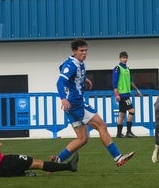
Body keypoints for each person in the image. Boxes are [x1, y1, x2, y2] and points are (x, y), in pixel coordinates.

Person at [54, 38, 135, 168]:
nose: (84, 53)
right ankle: (118, 157)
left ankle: (56, 161)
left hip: (71, 107)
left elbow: (62, 69)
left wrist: (84, 79)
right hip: (76, 104)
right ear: (74, 51)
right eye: (81, 50)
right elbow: (60, 81)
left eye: (86, 50)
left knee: (82, 139)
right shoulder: (71, 64)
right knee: (101, 125)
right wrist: (63, 98)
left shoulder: (77, 63)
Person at [0, 115, 79, 177]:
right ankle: (69, 166)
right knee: (37, 163)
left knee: (27, 170)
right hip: (3, 163)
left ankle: (24, 173)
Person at [112, 51, 142, 138]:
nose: (124, 59)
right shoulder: (117, 68)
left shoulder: (127, 69)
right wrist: (116, 94)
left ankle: (119, 133)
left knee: (122, 113)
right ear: (120, 58)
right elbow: (114, 82)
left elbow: (130, 81)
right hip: (122, 94)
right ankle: (128, 132)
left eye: (126, 58)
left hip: (126, 94)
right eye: (123, 58)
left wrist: (137, 90)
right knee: (132, 111)